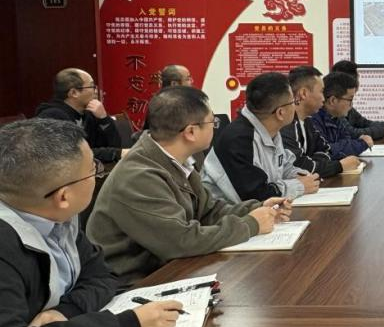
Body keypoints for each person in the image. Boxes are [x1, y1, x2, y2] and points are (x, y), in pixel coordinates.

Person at [0, 119, 181, 327]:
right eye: (92, 169)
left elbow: (101, 276)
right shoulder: (7, 241)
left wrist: (67, 310)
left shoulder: (56, 216)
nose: (97, 174)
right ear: (64, 196)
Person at [88, 87, 290, 285]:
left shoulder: (176, 160)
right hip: (134, 284)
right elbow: (180, 241)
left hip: (168, 268)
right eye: (212, 122)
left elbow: (208, 211)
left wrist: (257, 208)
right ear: (191, 132)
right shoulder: (138, 176)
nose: (215, 127)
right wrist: (251, 224)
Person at [202, 72, 320, 203]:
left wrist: (303, 176)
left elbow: (283, 166)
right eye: (294, 102)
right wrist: (299, 186)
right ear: (280, 113)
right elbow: (256, 195)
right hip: (228, 211)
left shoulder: (270, 129)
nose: (296, 106)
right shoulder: (239, 140)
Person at [282, 67, 362, 179]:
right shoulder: (286, 124)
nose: (324, 99)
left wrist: (314, 162)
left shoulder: (307, 121)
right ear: (303, 93)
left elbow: (325, 150)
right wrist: (339, 166)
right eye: (321, 92)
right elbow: (299, 167)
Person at [35, 68, 124, 163]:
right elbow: (73, 155)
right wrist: (116, 153)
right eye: (92, 86)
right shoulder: (52, 117)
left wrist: (104, 119)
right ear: (74, 93)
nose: (96, 91)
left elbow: (115, 145)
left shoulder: (89, 113)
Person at [330, 60, 384, 139]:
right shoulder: (335, 106)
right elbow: (351, 133)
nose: (358, 83)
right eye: (357, 79)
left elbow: (364, 123)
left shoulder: (346, 103)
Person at [310, 72, 375, 158]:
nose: (351, 105)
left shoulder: (336, 117)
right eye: (350, 99)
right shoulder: (313, 120)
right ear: (333, 100)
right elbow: (327, 151)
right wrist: (362, 143)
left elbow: (346, 141)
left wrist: (353, 144)